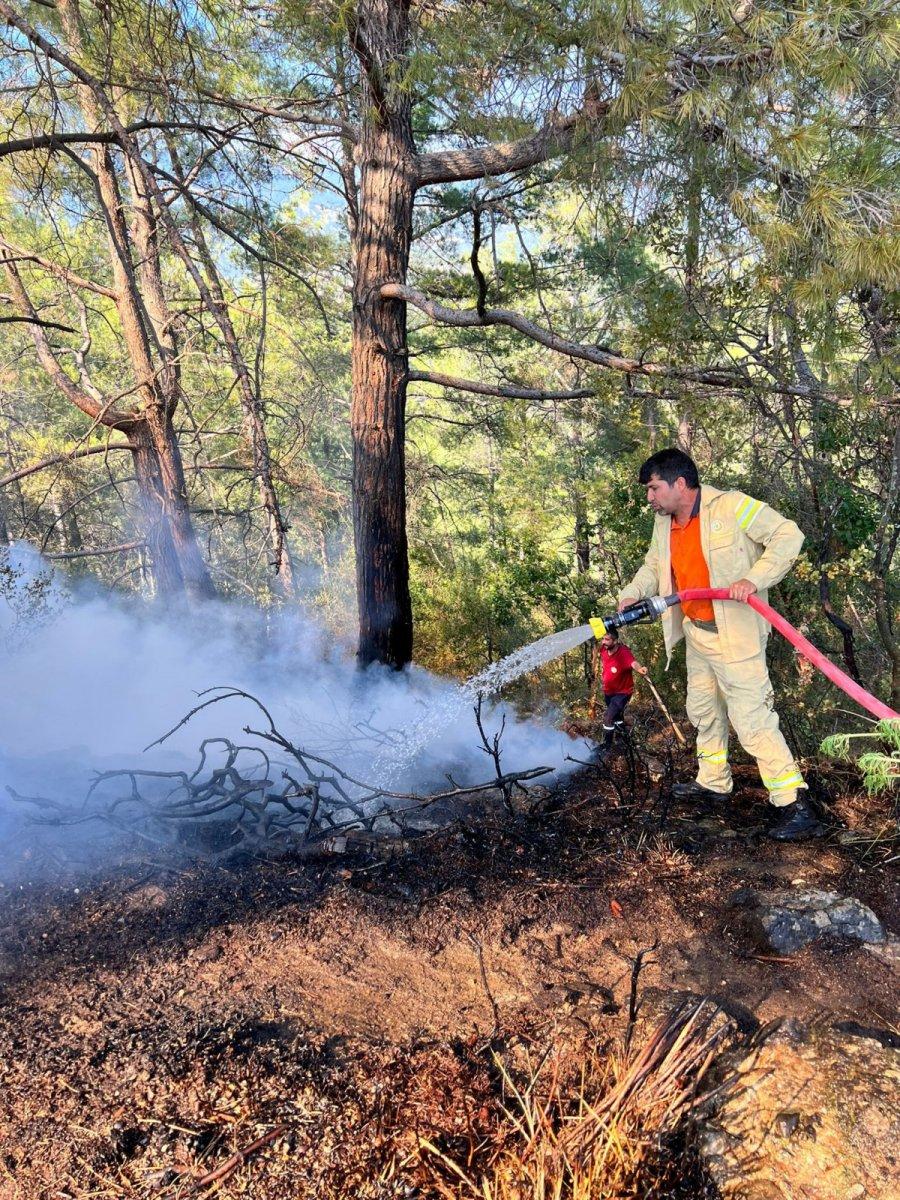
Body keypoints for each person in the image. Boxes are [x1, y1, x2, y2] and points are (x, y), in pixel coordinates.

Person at [618, 447, 821, 841]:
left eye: (654, 488)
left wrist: (755, 578)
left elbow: (787, 534)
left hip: (737, 635)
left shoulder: (731, 507)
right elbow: (655, 567)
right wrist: (632, 593)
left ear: (680, 484)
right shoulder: (665, 524)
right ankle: (713, 781)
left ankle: (794, 804)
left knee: (753, 719)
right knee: (704, 710)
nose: (650, 497)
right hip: (697, 633)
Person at [598, 628, 647, 753]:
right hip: (608, 692)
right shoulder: (603, 649)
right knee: (617, 717)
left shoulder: (624, 652)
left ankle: (607, 746)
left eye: (607, 640)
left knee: (608, 717)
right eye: (603, 639)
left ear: (615, 641)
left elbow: (633, 662)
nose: (604, 642)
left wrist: (640, 669)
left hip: (623, 693)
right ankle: (623, 742)